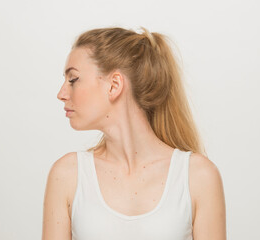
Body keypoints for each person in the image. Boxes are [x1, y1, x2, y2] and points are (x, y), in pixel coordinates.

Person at [42, 26, 226, 240]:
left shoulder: (197, 176)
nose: (61, 94)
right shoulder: (67, 175)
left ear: (114, 85)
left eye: (73, 79)